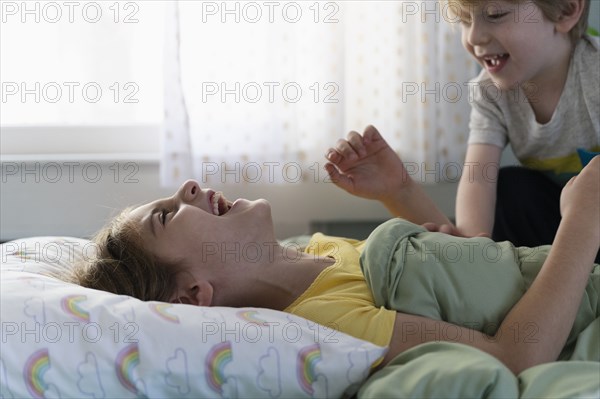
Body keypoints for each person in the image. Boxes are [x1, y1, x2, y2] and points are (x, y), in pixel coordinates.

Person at [74, 155, 600, 375]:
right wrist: (580, 221)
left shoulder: (314, 248)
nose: (186, 187)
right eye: (165, 218)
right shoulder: (330, 324)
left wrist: (401, 194)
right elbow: (513, 356)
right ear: (192, 296)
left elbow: (471, 277)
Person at [326, 0, 599, 248]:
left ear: (564, 11)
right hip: (566, 220)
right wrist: (470, 243)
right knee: (511, 190)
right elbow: (476, 197)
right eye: (465, 21)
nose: (473, 37)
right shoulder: (490, 93)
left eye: (496, 14)